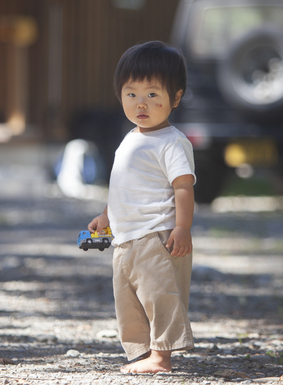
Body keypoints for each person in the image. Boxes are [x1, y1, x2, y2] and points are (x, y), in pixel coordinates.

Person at [87, 40, 195, 374]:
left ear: (175, 98)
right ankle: (142, 354)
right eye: (131, 94)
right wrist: (107, 216)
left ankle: (162, 357)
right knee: (129, 300)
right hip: (125, 238)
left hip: (156, 237)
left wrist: (182, 227)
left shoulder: (172, 142)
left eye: (152, 94)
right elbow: (122, 184)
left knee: (159, 295)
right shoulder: (130, 138)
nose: (141, 104)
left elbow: (183, 186)